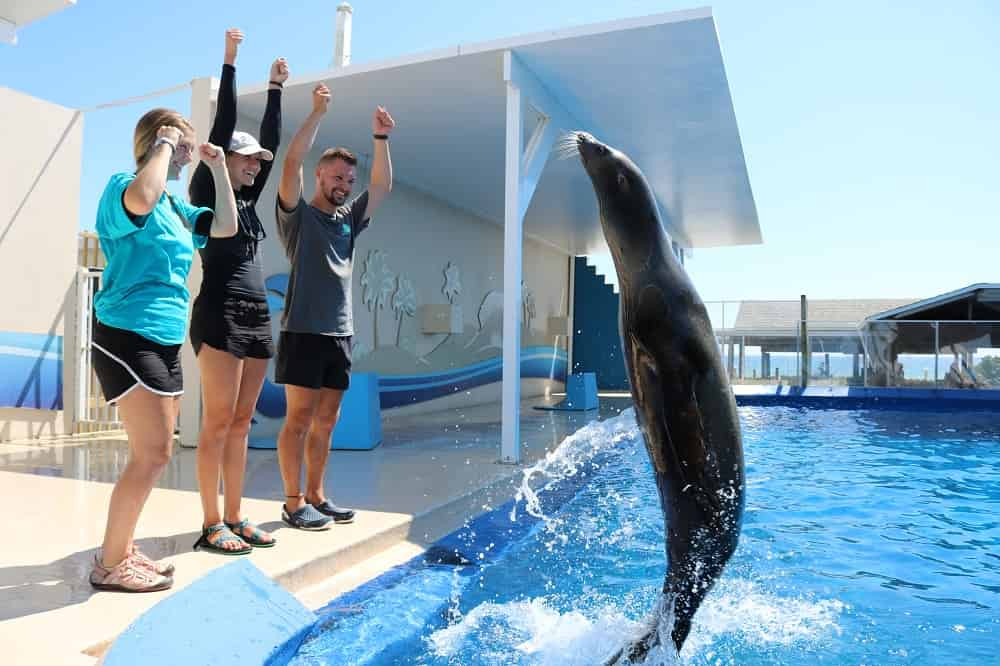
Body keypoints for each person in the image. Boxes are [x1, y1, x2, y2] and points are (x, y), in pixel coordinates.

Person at [89, 109, 238, 591]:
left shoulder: (175, 206)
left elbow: (226, 228)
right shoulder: (123, 187)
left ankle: (120, 549)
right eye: (183, 144)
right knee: (151, 455)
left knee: (152, 453)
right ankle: (111, 566)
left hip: (166, 339)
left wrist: (217, 168)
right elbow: (143, 195)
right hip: (126, 332)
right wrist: (168, 141)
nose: (186, 153)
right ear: (160, 142)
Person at [273, 83, 394, 530]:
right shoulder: (298, 217)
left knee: (327, 420)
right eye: (337, 177)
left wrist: (380, 139)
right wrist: (317, 113)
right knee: (299, 419)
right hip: (302, 331)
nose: (344, 185)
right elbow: (289, 162)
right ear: (319, 176)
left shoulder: (349, 221)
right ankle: (291, 502)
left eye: (349, 179)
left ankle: (317, 496)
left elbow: (382, 185)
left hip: (339, 333)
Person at [188, 28, 288, 555]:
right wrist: (230, 61)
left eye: (255, 161)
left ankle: (235, 515)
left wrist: (275, 89)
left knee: (244, 421)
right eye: (245, 158)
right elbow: (225, 125)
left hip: (256, 318)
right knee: (219, 419)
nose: (253, 164)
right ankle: (210, 523)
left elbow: (268, 145)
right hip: (221, 314)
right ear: (225, 159)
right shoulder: (208, 190)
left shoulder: (249, 202)